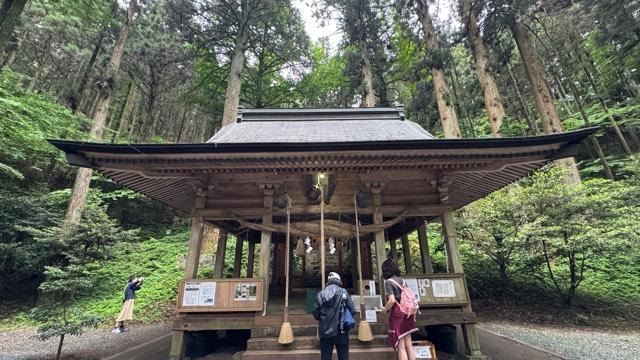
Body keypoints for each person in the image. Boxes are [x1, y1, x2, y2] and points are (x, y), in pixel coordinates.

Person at [313, 272, 356, 360]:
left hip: (325, 332)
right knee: (343, 357)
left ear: (328, 281)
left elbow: (315, 313)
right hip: (341, 331)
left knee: (325, 357)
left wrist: (324, 319)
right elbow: (352, 310)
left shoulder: (320, 294)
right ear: (339, 281)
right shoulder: (343, 292)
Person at [382, 259, 418, 360]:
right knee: (409, 344)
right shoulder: (402, 280)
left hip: (398, 314)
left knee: (401, 346)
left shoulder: (389, 282)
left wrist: (385, 309)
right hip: (409, 312)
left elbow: (392, 300)